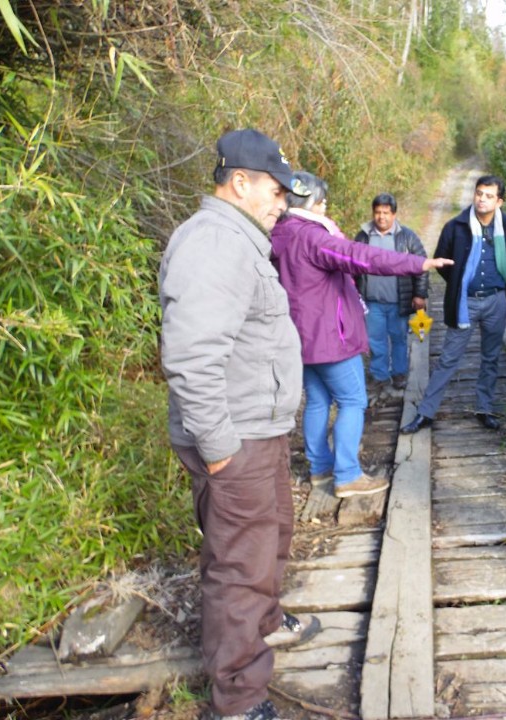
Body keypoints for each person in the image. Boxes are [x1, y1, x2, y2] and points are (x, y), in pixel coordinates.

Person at [160, 128, 320, 720]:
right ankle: (240, 697)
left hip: (259, 429)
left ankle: (266, 621)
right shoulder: (215, 243)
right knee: (239, 564)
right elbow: (192, 355)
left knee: (268, 538)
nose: (282, 203)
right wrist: (220, 445)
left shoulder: (239, 237)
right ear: (241, 182)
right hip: (236, 437)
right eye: (275, 190)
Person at [271, 172, 452, 498]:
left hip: (299, 337)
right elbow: (362, 256)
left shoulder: (279, 234)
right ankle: (347, 475)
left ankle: (320, 470)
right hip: (330, 338)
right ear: (311, 203)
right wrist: (420, 264)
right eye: (322, 201)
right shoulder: (313, 238)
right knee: (353, 400)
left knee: (318, 401)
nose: (325, 208)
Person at [400, 175, 506, 434]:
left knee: (491, 357)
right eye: (479, 193)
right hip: (465, 301)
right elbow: (442, 263)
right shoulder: (456, 226)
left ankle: (484, 408)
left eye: (489, 196)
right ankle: (426, 413)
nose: (482, 199)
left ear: (499, 201)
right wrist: (460, 283)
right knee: (448, 359)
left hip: (496, 301)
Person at [353, 193, 429, 391]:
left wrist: (419, 294)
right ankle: (379, 375)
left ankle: (399, 373)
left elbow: (421, 265)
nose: (381, 217)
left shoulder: (407, 237)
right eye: (377, 212)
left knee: (399, 338)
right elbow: (352, 267)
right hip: (372, 301)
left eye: (386, 213)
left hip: (398, 301)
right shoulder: (363, 236)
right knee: (375, 340)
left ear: (394, 214)